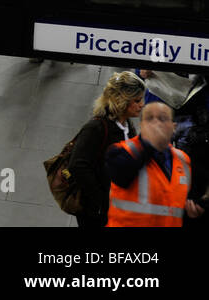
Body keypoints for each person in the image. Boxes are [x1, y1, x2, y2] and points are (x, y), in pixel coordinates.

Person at [106, 101, 205, 227]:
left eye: (162, 118)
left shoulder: (183, 160)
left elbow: (175, 204)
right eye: (149, 119)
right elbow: (122, 173)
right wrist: (150, 144)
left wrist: (193, 209)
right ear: (141, 125)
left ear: (174, 127)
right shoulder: (122, 151)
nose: (156, 123)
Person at [69, 71, 145, 229]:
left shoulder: (127, 126)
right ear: (122, 101)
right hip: (96, 213)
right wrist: (103, 202)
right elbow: (78, 166)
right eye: (137, 100)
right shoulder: (96, 128)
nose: (142, 104)